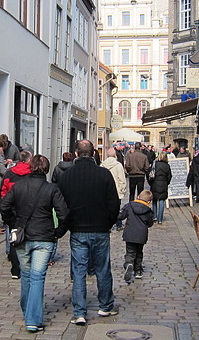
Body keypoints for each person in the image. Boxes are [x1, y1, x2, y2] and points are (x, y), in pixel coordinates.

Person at [0, 154, 69, 333]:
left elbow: (4, 206)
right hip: (44, 237)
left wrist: (14, 224)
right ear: (46, 169)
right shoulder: (52, 189)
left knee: (27, 274)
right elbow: (64, 214)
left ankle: (27, 311)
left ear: (30, 168)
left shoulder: (19, 186)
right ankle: (33, 319)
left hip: (24, 237)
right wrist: (58, 233)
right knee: (37, 276)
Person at [57, 139, 121, 325]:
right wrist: (108, 222)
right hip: (100, 228)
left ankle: (79, 312)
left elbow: (61, 205)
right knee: (102, 268)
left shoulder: (67, 176)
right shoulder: (104, 175)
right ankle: (105, 306)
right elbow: (114, 203)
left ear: (76, 154)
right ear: (93, 154)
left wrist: (67, 224)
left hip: (77, 229)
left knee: (78, 271)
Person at [1, 150, 33, 278]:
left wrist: (6, 212)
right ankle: (28, 267)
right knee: (29, 238)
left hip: (13, 210)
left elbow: (3, 192)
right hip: (28, 210)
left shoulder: (9, 173)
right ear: (29, 160)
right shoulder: (32, 173)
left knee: (15, 239)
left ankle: (15, 269)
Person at [118, 189, 155, 283]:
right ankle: (138, 271)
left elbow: (120, 216)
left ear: (138, 197)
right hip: (141, 235)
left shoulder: (129, 206)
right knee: (139, 252)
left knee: (130, 251)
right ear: (149, 201)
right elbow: (150, 223)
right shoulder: (148, 211)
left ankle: (129, 264)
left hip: (129, 234)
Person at [101, 147, 127, 231]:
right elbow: (122, 179)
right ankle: (118, 224)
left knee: (105, 208)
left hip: (105, 190)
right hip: (116, 190)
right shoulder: (118, 165)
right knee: (116, 208)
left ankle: (106, 224)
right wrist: (123, 190)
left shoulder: (102, 165)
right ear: (115, 155)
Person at [147, 151, 172, 224]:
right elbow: (169, 176)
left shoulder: (155, 164)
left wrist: (150, 183)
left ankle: (154, 216)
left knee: (154, 200)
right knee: (161, 201)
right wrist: (166, 183)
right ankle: (160, 219)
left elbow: (149, 174)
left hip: (154, 184)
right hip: (163, 184)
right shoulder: (167, 166)